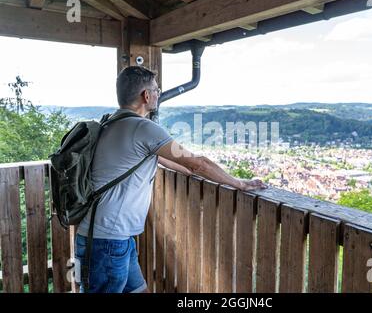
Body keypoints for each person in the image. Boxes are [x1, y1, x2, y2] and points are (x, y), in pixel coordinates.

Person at [75, 66, 267, 293]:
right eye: (156, 90)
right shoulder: (143, 128)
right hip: (106, 243)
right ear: (146, 96)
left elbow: (178, 164)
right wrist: (240, 184)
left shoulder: (110, 123)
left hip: (109, 238)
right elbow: (197, 163)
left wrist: (191, 170)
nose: (158, 93)